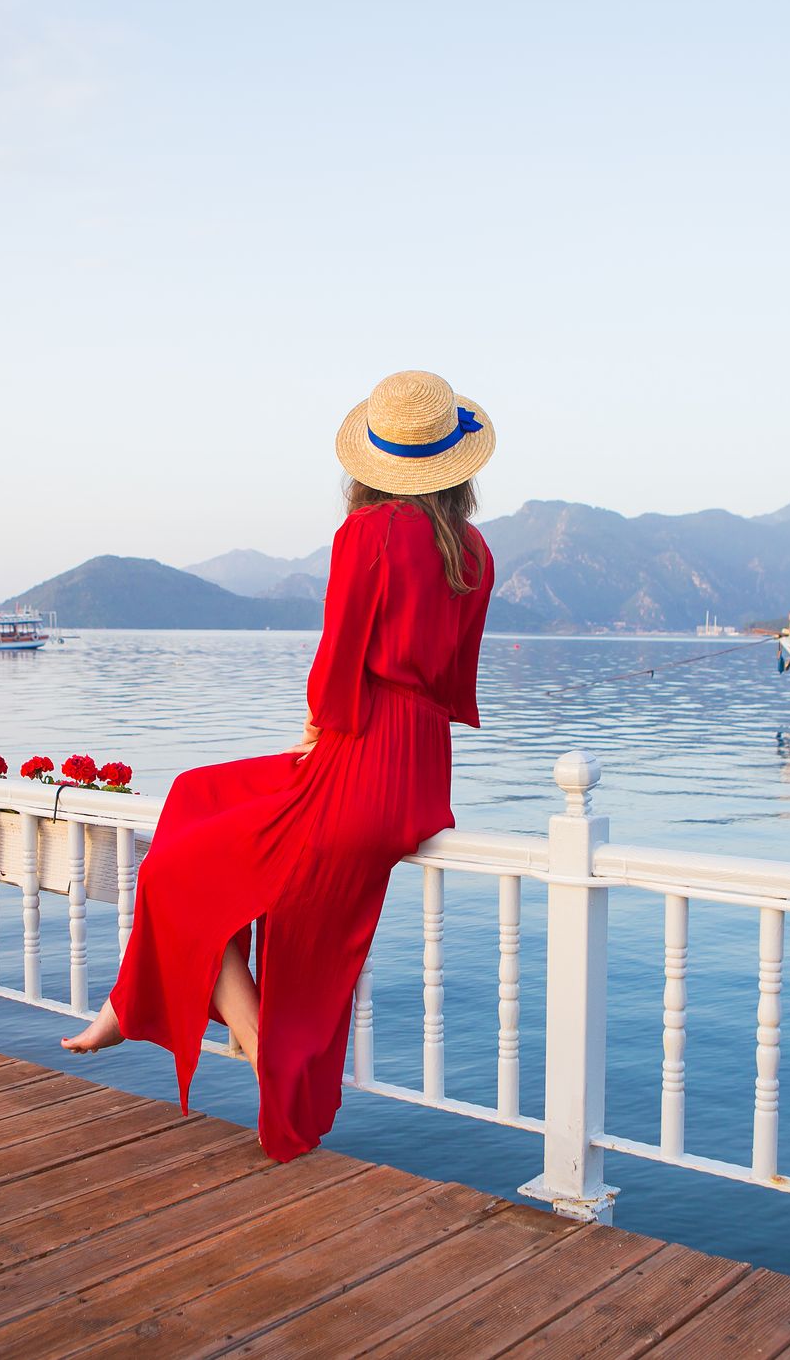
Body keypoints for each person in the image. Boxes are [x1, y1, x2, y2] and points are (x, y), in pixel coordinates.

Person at [62, 369, 496, 1161]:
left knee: (170, 874)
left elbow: (337, 664)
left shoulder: (366, 536)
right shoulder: (475, 554)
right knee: (196, 792)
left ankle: (247, 1037)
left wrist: (320, 729)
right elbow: (457, 680)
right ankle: (134, 999)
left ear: (371, 461)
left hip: (356, 751)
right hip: (421, 772)